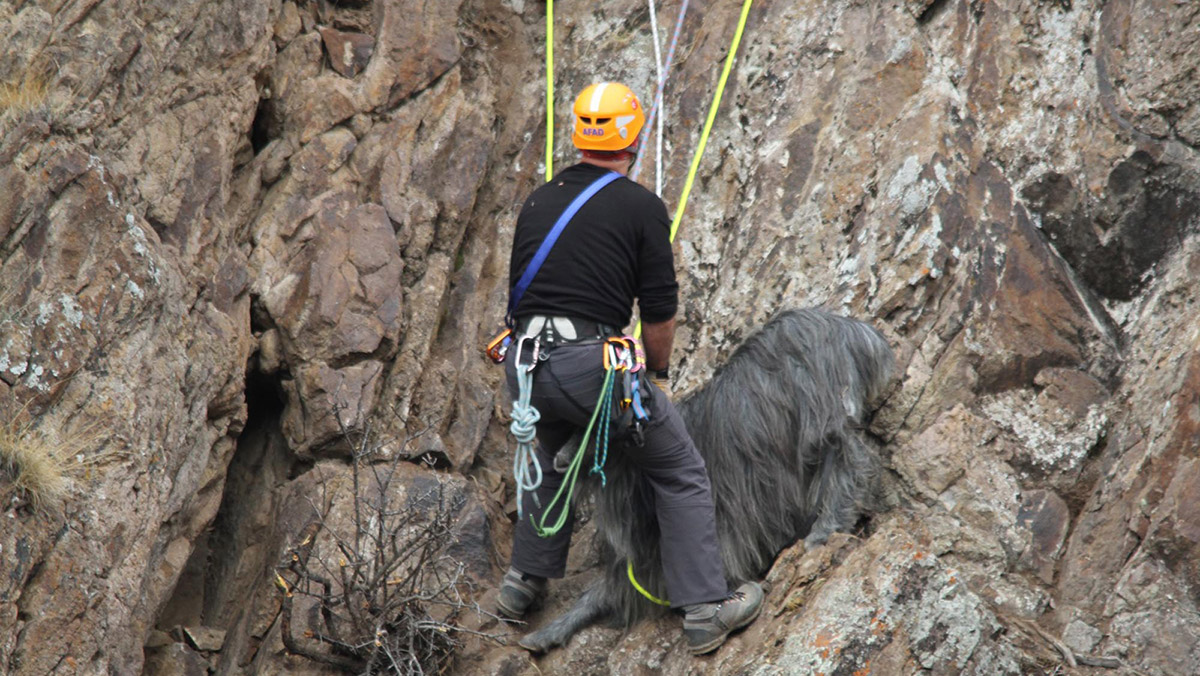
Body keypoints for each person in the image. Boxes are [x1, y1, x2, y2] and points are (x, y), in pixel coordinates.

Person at [497, 81, 763, 655]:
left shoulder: (538, 201)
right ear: (634, 139)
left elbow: (524, 296)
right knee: (679, 470)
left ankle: (522, 582)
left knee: (543, 455)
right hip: (590, 366)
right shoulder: (641, 206)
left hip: (525, 362)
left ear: (578, 137)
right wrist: (658, 376)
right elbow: (659, 313)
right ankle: (705, 610)